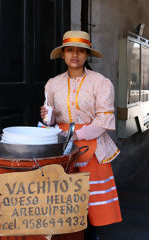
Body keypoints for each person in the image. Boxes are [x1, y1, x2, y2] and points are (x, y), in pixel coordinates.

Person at [40, 30, 122, 239]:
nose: (74, 54)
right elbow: (50, 120)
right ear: (63, 54)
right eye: (69, 50)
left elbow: (104, 119)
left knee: (89, 198)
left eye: (80, 51)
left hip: (92, 145)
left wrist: (76, 135)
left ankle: (91, 234)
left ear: (87, 55)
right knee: (65, 193)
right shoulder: (53, 84)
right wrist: (47, 118)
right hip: (62, 146)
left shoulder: (100, 82)